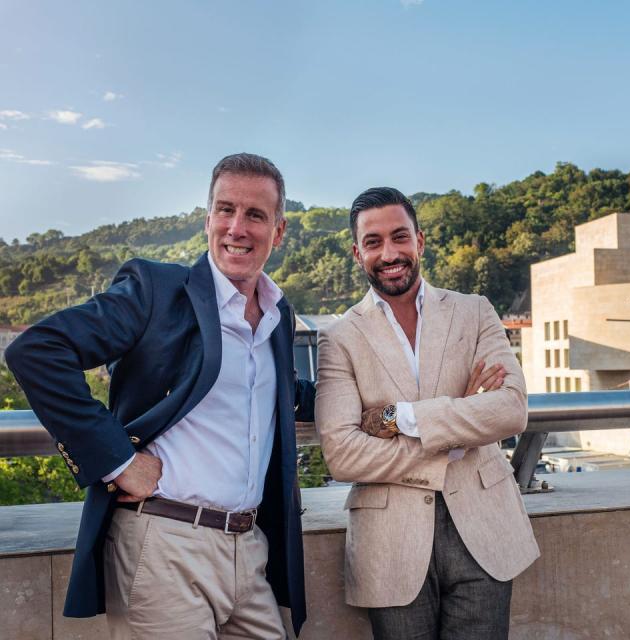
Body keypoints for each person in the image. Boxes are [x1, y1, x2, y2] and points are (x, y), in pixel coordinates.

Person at [6, 153, 315, 639]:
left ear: (278, 230)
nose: (237, 227)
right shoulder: (157, 291)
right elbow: (38, 352)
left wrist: (393, 402)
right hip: (166, 545)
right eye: (225, 210)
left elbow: (283, 394)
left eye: (255, 215)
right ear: (208, 217)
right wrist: (117, 461)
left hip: (251, 548)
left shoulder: (278, 315)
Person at [314, 187, 540, 639]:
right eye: (374, 242)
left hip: (485, 529)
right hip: (389, 543)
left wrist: (398, 418)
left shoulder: (474, 311)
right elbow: (342, 454)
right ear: (358, 253)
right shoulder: (339, 338)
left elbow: (510, 409)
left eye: (400, 237)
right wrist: (460, 424)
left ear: (420, 240)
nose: (389, 252)